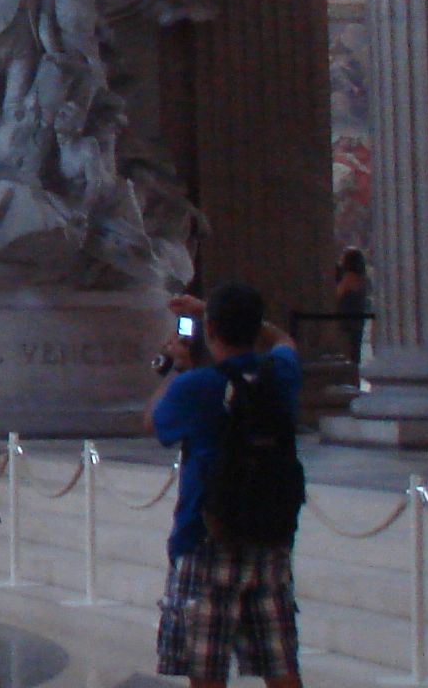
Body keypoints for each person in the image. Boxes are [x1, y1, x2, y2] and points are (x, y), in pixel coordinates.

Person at [149, 284, 305, 688]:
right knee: (280, 662)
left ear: (211, 330)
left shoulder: (196, 386)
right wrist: (212, 311)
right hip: (269, 535)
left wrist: (180, 366)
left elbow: (153, 421)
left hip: (206, 537)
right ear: (254, 329)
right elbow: (284, 340)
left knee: (207, 670)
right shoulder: (280, 374)